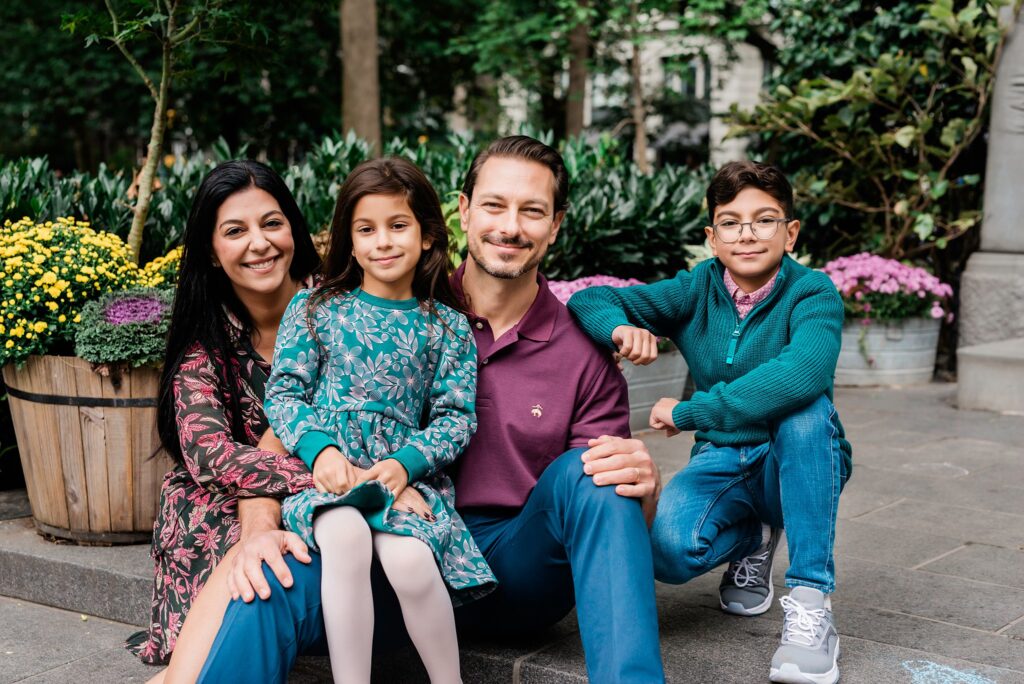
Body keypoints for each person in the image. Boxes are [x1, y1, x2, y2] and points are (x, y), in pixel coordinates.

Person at [196, 136, 666, 684]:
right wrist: (258, 525)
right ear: (462, 210)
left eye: (532, 210)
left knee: (599, 471)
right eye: (494, 205)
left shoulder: (582, 350)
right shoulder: (390, 298)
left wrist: (645, 491)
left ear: (556, 223)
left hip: (516, 564)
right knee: (266, 582)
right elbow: (291, 417)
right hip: (382, 540)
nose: (510, 226)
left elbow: (608, 516)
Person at [567, 160, 852, 684]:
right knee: (668, 553)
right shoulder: (695, 289)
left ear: (790, 233)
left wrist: (690, 411)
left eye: (764, 220)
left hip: (792, 461)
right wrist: (621, 331)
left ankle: (812, 602)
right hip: (722, 459)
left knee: (807, 412)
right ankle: (753, 539)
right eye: (730, 222)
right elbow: (591, 299)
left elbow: (800, 372)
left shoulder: (813, 293)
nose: (747, 234)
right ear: (712, 237)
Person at [266, 157, 495, 683]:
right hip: (331, 472)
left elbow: (456, 417)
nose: (383, 242)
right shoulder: (315, 309)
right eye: (366, 229)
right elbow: (283, 393)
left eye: (398, 226)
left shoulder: (447, 327)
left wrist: (403, 466)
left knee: (412, 564)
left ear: (429, 236)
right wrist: (320, 450)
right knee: (344, 534)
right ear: (349, 238)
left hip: (400, 478)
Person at [126, 160, 321, 675]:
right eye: (235, 231)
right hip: (236, 494)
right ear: (212, 253)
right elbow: (209, 454)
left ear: (294, 230)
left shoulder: (340, 308)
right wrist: (323, 472)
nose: (259, 244)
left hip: (315, 495)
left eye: (272, 223)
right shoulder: (205, 338)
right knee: (210, 511)